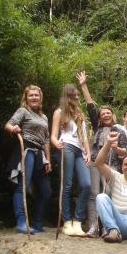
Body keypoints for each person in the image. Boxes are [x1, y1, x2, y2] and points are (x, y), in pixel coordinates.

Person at [76, 71, 126, 237]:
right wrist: (83, 85)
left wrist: (114, 147)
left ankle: (107, 226)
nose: (105, 114)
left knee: (108, 194)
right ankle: (93, 226)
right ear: (99, 117)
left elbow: (123, 152)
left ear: (113, 116)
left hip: (111, 165)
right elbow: (90, 106)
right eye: (103, 113)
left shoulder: (119, 130)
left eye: (108, 113)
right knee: (93, 194)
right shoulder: (98, 128)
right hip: (95, 162)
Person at [5, 85, 52, 233]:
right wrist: (13, 129)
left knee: (46, 191)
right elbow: (8, 125)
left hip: (40, 155)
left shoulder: (44, 117)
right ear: (26, 98)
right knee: (23, 186)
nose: (34, 98)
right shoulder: (23, 111)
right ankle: (21, 223)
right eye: (31, 95)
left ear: (40, 98)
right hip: (26, 149)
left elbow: (46, 140)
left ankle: (37, 223)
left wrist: (48, 159)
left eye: (36, 95)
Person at [51, 83, 91, 237]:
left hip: (80, 150)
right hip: (66, 146)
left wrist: (87, 153)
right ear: (69, 95)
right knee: (66, 185)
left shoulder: (79, 114)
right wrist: (56, 143)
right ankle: (67, 222)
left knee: (86, 184)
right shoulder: (59, 112)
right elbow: (53, 135)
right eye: (75, 94)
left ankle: (78, 221)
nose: (77, 96)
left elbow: (84, 137)